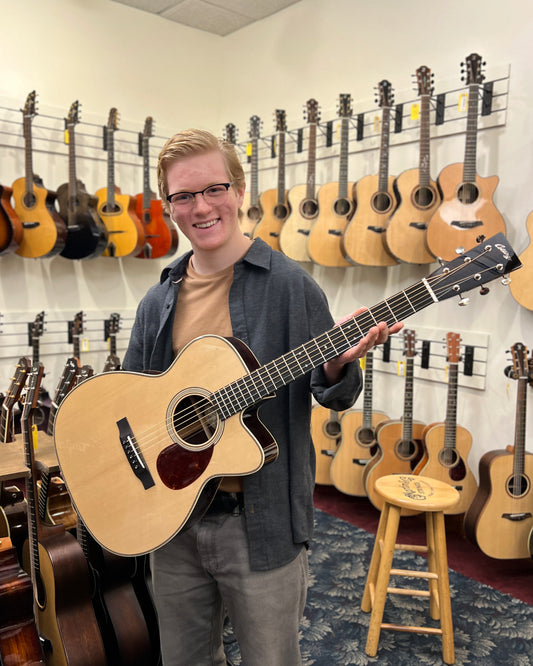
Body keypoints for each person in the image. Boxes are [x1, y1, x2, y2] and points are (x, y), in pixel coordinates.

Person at [122, 128, 402, 666]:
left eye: (213, 189)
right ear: (168, 206)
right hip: (173, 519)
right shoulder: (157, 300)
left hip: (261, 521)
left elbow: (334, 393)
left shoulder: (291, 287)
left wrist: (338, 366)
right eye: (183, 195)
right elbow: (134, 399)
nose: (201, 207)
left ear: (239, 190)